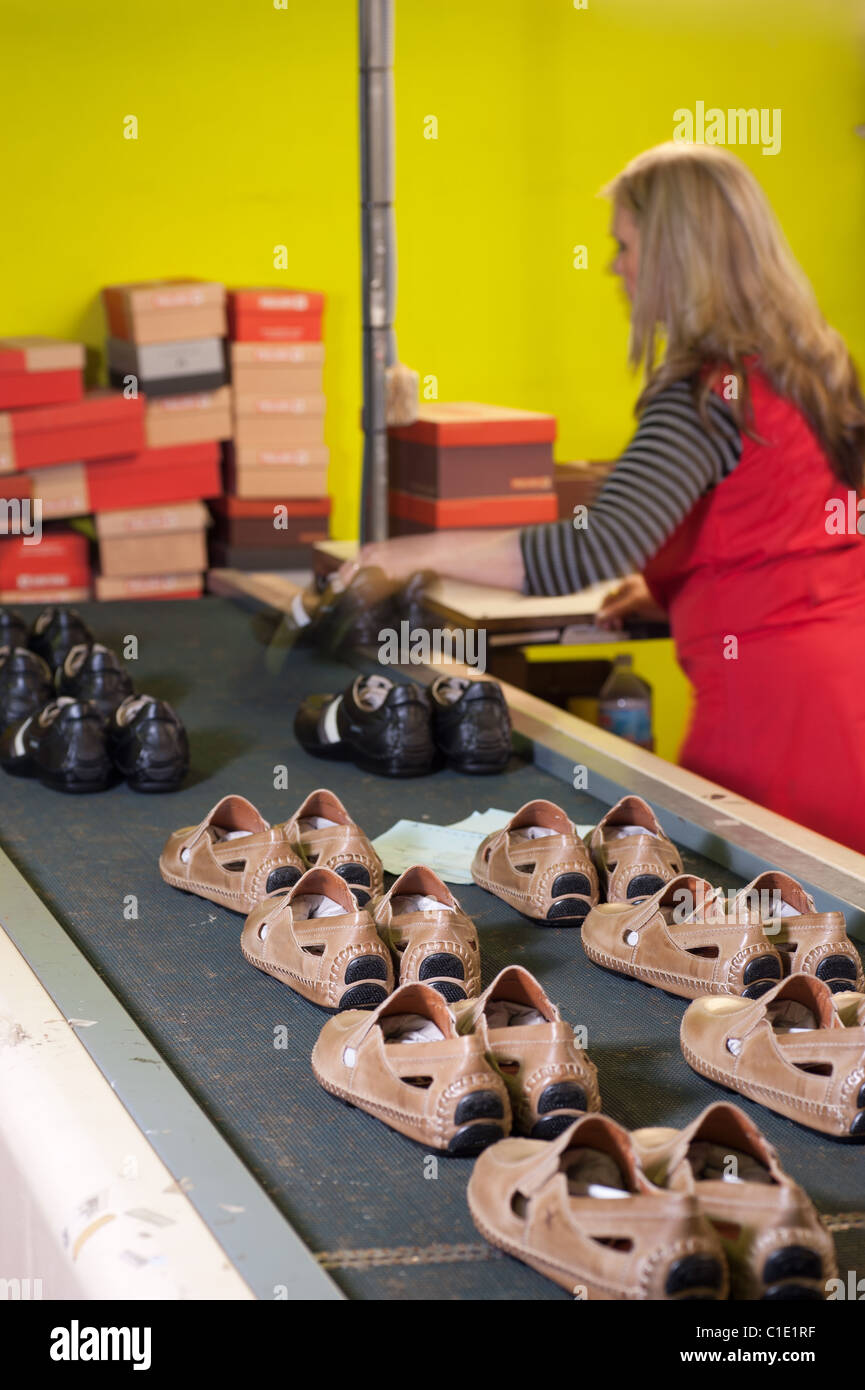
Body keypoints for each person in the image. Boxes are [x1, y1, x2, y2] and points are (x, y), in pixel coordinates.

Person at [336, 142, 865, 854]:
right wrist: (686, 591)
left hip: (773, 723)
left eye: (623, 244)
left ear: (677, 254)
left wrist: (408, 554)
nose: (615, 266)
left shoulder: (706, 394)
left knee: (751, 937)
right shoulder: (810, 365)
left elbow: (590, 547)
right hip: (845, 695)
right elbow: (797, 527)